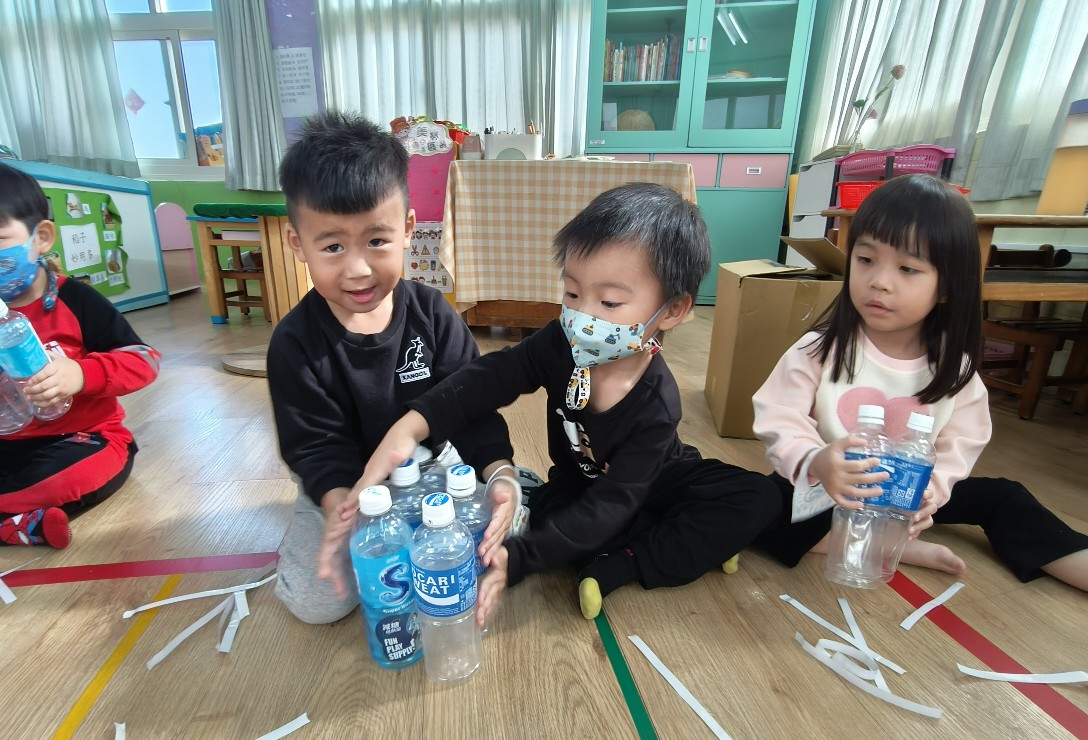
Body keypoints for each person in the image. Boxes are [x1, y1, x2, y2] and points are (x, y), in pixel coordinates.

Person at [334, 183, 782, 621]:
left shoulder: (658, 403)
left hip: (660, 478)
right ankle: (680, 541)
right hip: (579, 487)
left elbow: (616, 501)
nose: (582, 316)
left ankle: (627, 561)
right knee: (566, 521)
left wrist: (518, 559)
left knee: (757, 496)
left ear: (672, 310)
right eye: (572, 293)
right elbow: (491, 377)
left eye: (609, 302)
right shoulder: (559, 343)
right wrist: (415, 422)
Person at [751, 173, 1087, 591]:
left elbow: (963, 439)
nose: (879, 281)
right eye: (865, 259)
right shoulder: (820, 348)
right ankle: (885, 546)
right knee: (758, 501)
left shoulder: (954, 368)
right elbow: (779, 414)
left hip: (906, 495)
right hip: (834, 489)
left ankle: (1072, 560)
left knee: (1005, 496)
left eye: (908, 268)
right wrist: (816, 460)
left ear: (946, 287)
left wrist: (932, 493)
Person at [267, 111, 521, 625]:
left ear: (407, 229)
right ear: (298, 244)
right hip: (348, 483)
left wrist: (500, 473)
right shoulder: (294, 344)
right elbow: (314, 446)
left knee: (507, 535)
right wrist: (342, 507)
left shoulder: (433, 314)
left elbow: (472, 408)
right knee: (320, 602)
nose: (358, 269)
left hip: (432, 467)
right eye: (332, 246)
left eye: (376, 241)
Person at [0, 163, 161, 549]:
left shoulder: (75, 299)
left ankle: (14, 516)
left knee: (74, 474)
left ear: (41, 238)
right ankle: (19, 524)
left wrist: (81, 374)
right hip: (8, 445)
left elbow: (144, 359)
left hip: (82, 439)